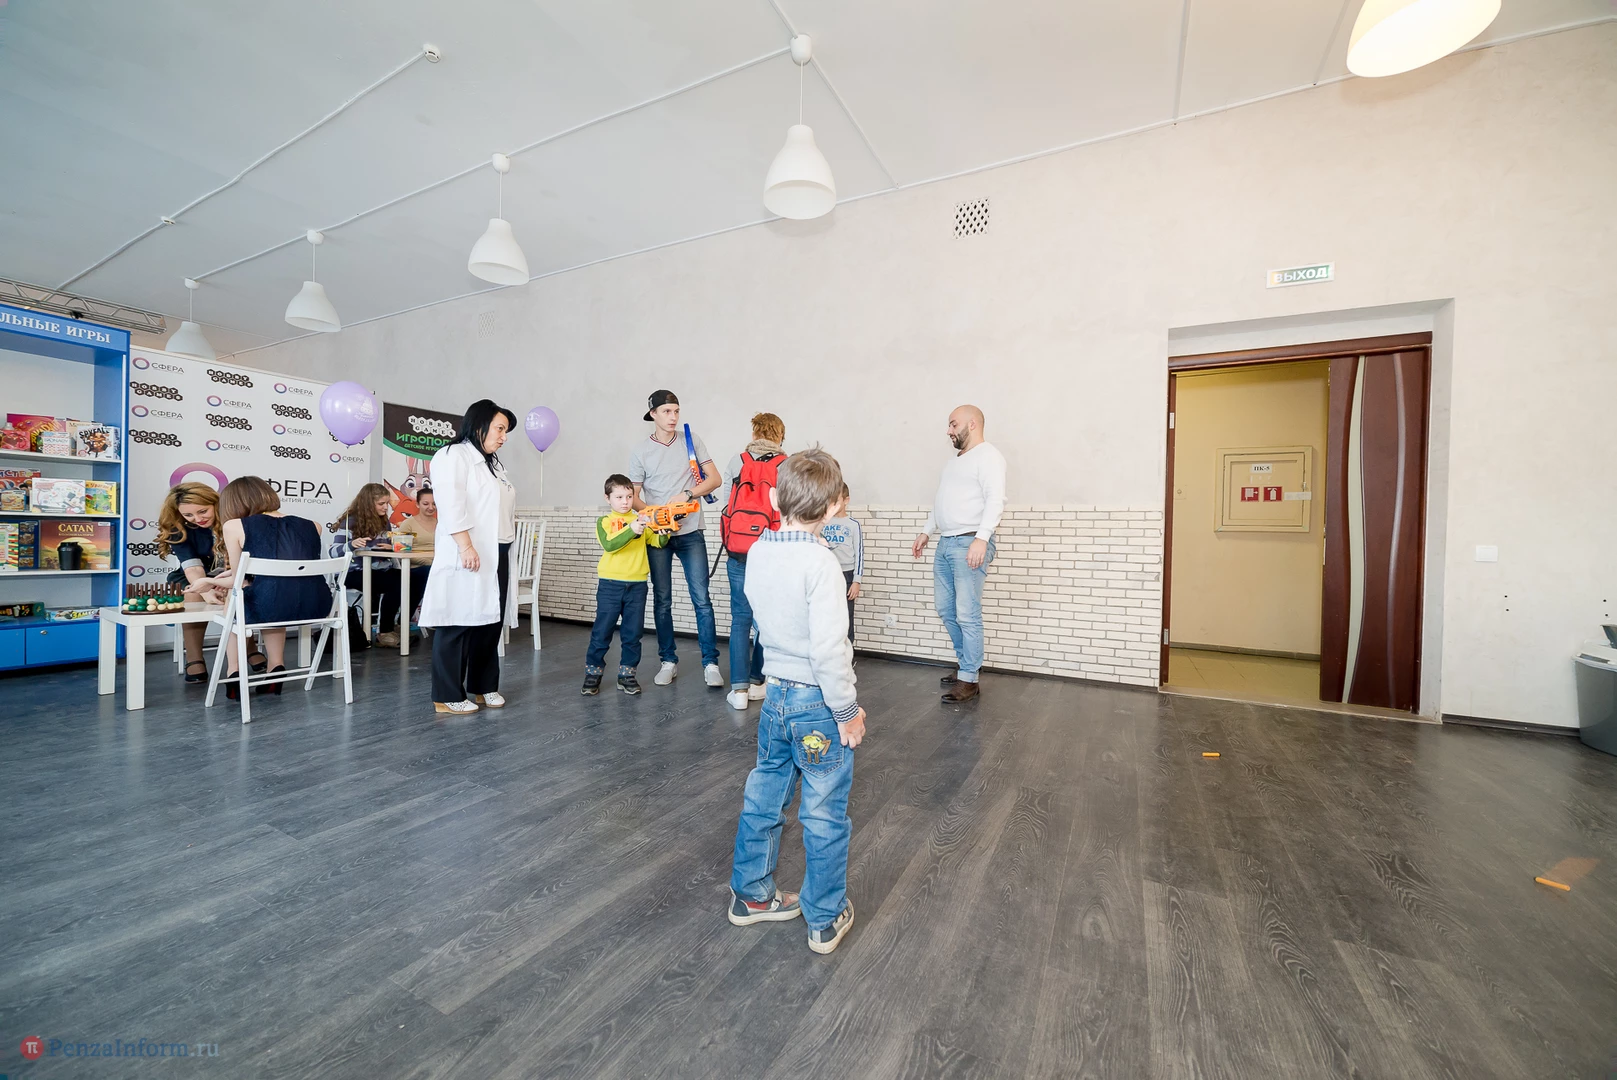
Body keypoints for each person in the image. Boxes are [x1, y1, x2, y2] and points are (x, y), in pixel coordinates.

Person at [728, 448, 865, 956]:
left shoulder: (759, 552)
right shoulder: (822, 563)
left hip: (776, 698)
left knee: (764, 797)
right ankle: (824, 919)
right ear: (833, 508)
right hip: (817, 707)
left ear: (772, 498)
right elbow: (829, 651)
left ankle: (751, 895)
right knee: (824, 812)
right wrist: (847, 712)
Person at [189, 476, 332, 699]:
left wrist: (209, 582)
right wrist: (231, 576)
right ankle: (275, 668)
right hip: (316, 606)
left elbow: (239, 581)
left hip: (270, 606)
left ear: (233, 502)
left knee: (236, 598)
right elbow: (285, 571)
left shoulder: (234, 526)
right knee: (276, 596)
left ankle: (234, 672)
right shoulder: (313, 525)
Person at [418, 400, 519, 715]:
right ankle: (447, 694)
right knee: (457, 621)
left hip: (497, 549)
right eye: (500, 429)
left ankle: (484, 686)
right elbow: (451, 505)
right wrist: (465, 546)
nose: (503, 437)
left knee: (490, 621)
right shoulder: (453, 456)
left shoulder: (493, 464)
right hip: (468, 550)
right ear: (479, 425)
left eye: (506, 431)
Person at [912, 405, 1007, 703]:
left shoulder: (989, 456)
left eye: (953, 424)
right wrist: (927, 531)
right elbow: (941, 501)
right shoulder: (954, 462)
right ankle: (967, 664)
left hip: (969, 542)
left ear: (972, 424)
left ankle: (969, 678)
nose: (949, 430)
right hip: (946, 543)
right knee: (946, 609)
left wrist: (982, 538)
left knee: (967, 613)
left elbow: (996, 499)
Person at [629, 389, 723, 688]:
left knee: (702, 600)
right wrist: (656, 517)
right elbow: (633, 496)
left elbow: (715, 479)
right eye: (667, 411)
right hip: (659, 536)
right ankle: (668, 661)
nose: (673, 417)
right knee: (663, 600)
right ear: (653, 414)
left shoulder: (691, 440)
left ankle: (710, 663)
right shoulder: (641, 452)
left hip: (692, 532)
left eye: (676, 411)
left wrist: (687, 493)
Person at [721, 412, 787, 711]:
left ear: (754, 432)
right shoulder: (786, 465)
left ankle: (738, 691)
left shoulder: (737, 462)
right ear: (779, 435)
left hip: (738, 550)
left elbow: (727, 507)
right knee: (767, 618)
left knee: (740, 619)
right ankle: (758, 680)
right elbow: (789, 512)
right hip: (771, 551)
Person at [156, 482, 252, 683]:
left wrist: (226, 582)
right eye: (188, 515)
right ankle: (194, 658)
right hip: (194, 575)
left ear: (215, 503)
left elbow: (242, 561)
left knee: (241, 592)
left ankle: (250, 649)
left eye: (202, 511)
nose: (197, 519)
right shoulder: (177, 527)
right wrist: (206, 590)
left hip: (231, 573)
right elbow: (192, 568)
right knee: (193, 594)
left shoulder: (236, 520)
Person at [583, 474, 668, 696]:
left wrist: (664, 532)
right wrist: (632, 529)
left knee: (633, 634)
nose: (625, 501)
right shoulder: (604, 521)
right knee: (602, 632)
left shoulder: (642, 519)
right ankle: (593, 674)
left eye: (629, 496)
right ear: (607, 498)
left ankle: (627, 675)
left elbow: (656, 542)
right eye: (619, 497)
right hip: (610, 585)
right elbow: (610, 545)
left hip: (637, 585)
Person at [331, 483, 411, 648]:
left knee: (407, 578)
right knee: (396, 582)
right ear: (368, 503)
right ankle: (385, 631)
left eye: (387, 503)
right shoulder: (350, 521)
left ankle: (390, 627)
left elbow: (384, 546)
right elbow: (333, 551)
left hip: (378, 570)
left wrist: (390, 547)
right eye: (381, 504)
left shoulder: (384, 521)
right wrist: (352, 544)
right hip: (353, 573)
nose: (386, 507)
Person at [820, 482, 864, 644]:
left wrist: (856, 581)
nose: (832, 504)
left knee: (846, 615)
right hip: (828, 574)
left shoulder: (853, 525)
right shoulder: (823, 523)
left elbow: (859, 553)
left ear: (846, 500)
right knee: (828, 613)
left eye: (836, 500)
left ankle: (848, 651)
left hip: (847, 575)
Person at [392, 486, 436, 635]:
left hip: (436, 566)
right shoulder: (408, 524)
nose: (431, 507)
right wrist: (427, 561)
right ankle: (405, 621)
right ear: (417, 504)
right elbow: (400, 550)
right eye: (426, 504)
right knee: (427, 574)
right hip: (414, 567)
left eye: (434, 504)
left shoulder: (440, 523)